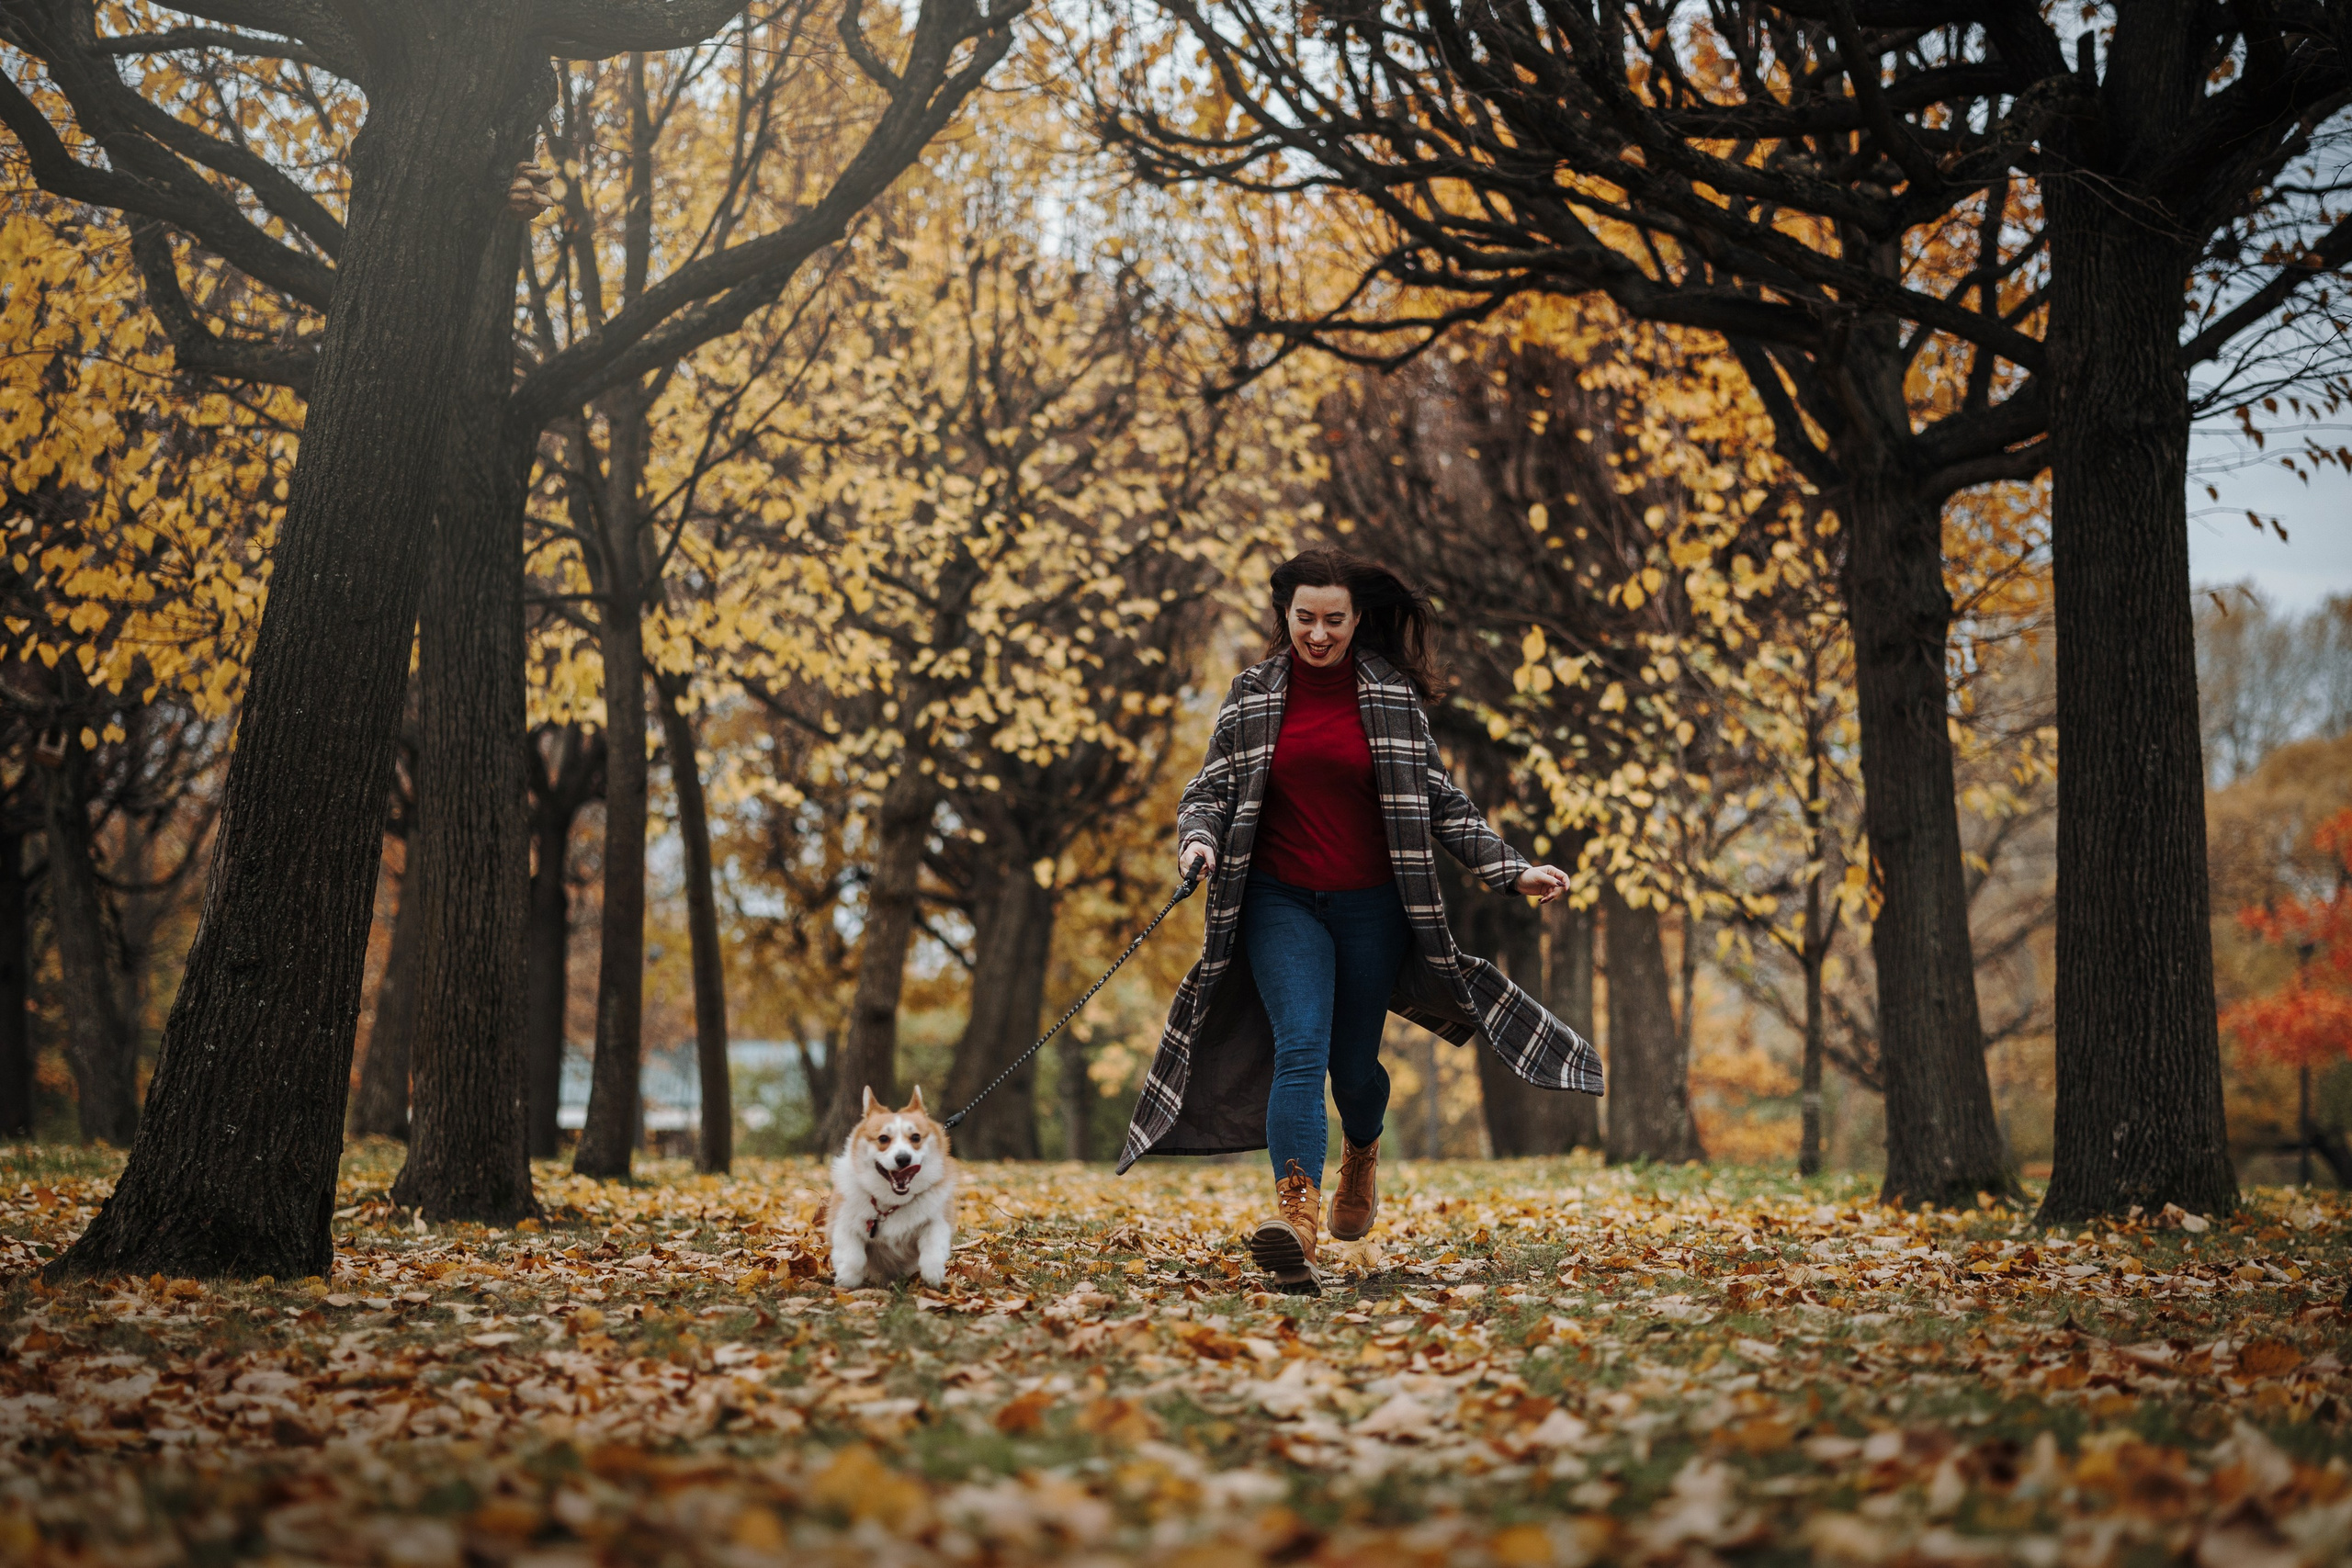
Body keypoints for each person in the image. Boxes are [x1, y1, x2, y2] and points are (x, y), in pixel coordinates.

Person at [1114, 548, 1604, 1291]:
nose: (1318, 633)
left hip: (1374, 906)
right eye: (1305, 618)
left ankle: (1362, 1152)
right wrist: (1198, 838)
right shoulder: (1252, 693)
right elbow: (1210, 788)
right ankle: (1296, 1218)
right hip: (1278, 901)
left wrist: (1511, 869)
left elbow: (1441, 800)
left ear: (1356, 618)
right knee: (1300, 1045)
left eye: (1333, 620)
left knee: (1354, 1069)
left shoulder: (1390, 695)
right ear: (1285, 615)